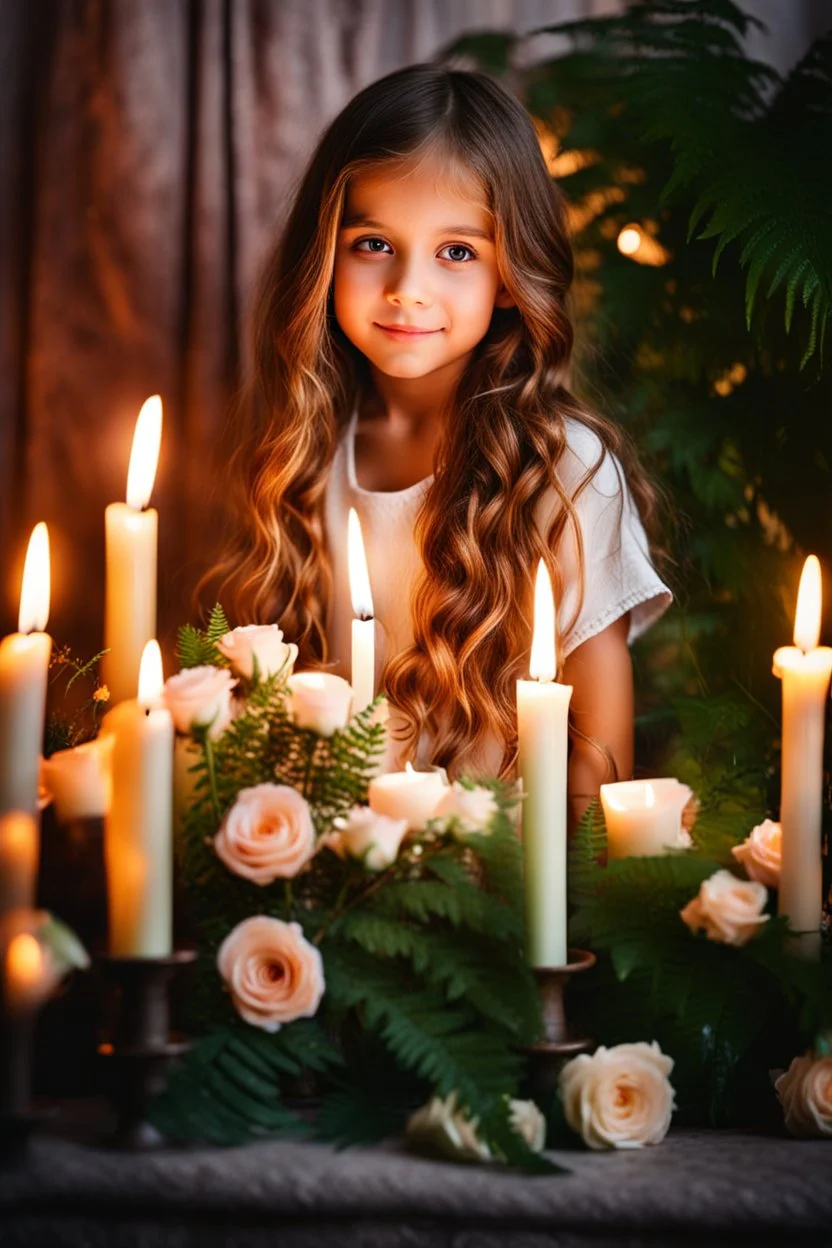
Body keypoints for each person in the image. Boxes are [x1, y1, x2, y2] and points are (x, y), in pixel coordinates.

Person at [210, 63, 671, 822]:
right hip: (343, 886)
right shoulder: (309, 454)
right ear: (323, 258)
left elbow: (600, 767)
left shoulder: (564, 473)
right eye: (372, 243)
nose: (407, 289)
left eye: (456, 252)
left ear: (511, 274)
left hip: (508, 903)